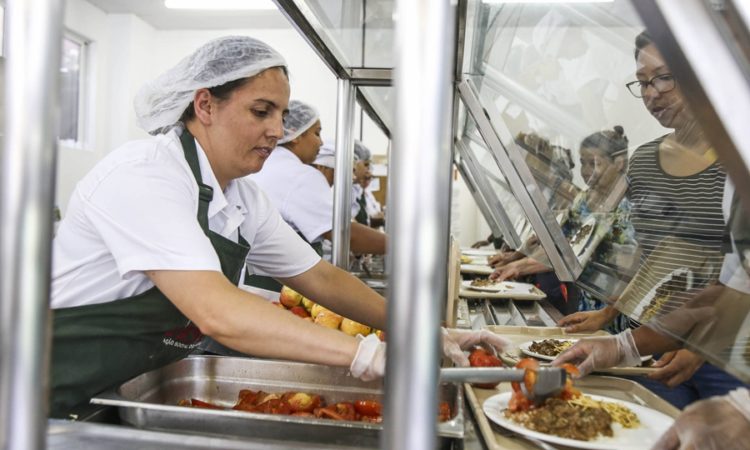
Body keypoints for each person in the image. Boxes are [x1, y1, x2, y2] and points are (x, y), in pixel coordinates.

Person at [48, 36, 508, 418]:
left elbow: (320, 277)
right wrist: (365, 355)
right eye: (261, 111)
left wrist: (423, 330)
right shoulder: (145, 175)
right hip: (49, 396)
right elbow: (218, 312)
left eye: (282, 116)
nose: (277, 130)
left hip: (125, 393)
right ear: (205, 104)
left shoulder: (243, 196)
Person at [555, 30, 745, 410]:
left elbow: (740, 272)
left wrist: (700, 347)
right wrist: (611, 314)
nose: (652, 92)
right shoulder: (643, 162)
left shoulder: (737, 160)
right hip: (652, 338)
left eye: (664, 77)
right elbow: (650, 254)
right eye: (642, 82)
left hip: (727, 352)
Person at [488, 127, 634, 317]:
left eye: (595, 163)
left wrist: (519, 265)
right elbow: (560, 242)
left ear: (619, 163)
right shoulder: (584, 199)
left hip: (613, 306)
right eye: (584, 163)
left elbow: (580, 252)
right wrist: (516, 262)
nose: (587, 171)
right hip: (584, 301)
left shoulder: (628, 206)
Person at [249, 100, 386, 257]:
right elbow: (345, 234)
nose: (320, 142)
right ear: (296, 135)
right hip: (276, 279)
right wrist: (402, 246)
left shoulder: (268, 165)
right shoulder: (299, 175)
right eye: (317, 133)